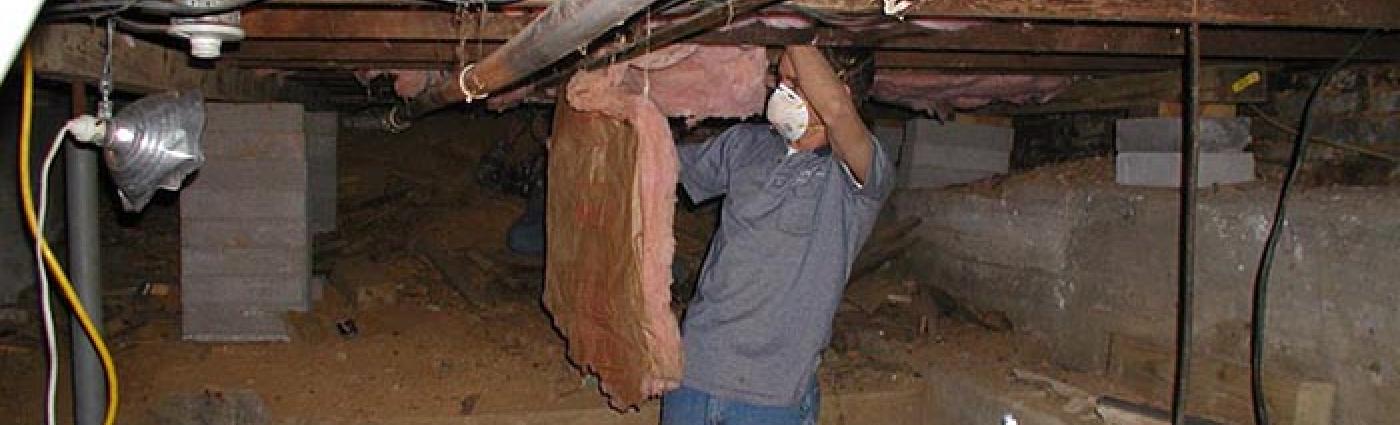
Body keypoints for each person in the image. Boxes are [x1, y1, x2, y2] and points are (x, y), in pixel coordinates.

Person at [660, 45, 894, 424]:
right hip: (696, 371)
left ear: (838, 91)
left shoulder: (857, 176)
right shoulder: (744, 145)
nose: (780, 91)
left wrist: (799, 37)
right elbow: (663, 165)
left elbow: (836, 112)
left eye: (796, 82)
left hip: (771, 394)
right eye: (780, 78)